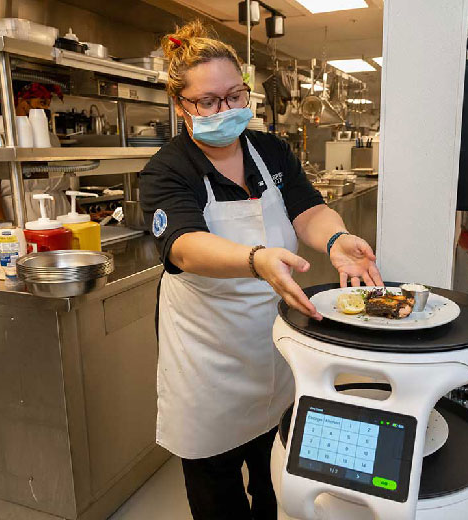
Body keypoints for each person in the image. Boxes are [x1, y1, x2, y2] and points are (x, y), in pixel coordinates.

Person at [138, 21, 383, 520]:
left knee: (275, 469)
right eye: (208, 101)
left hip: (271, 340)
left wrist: (336, 240)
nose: (225, 110)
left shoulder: (268, 150)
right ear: (181, 105)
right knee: (217, 485)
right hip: (207, 353)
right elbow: (183, 245)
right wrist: (254, 258)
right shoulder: (169, 168)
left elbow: (307, 209)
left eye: (234, 95)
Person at [0, 82, 70, 222]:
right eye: (40, 104)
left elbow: (63, 188)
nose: (44, 111)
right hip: (22, 214)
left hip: (61, 213)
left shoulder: (51, 138)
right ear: (20, 102)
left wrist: (79, 214)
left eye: (47, 106)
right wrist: (6, 228)